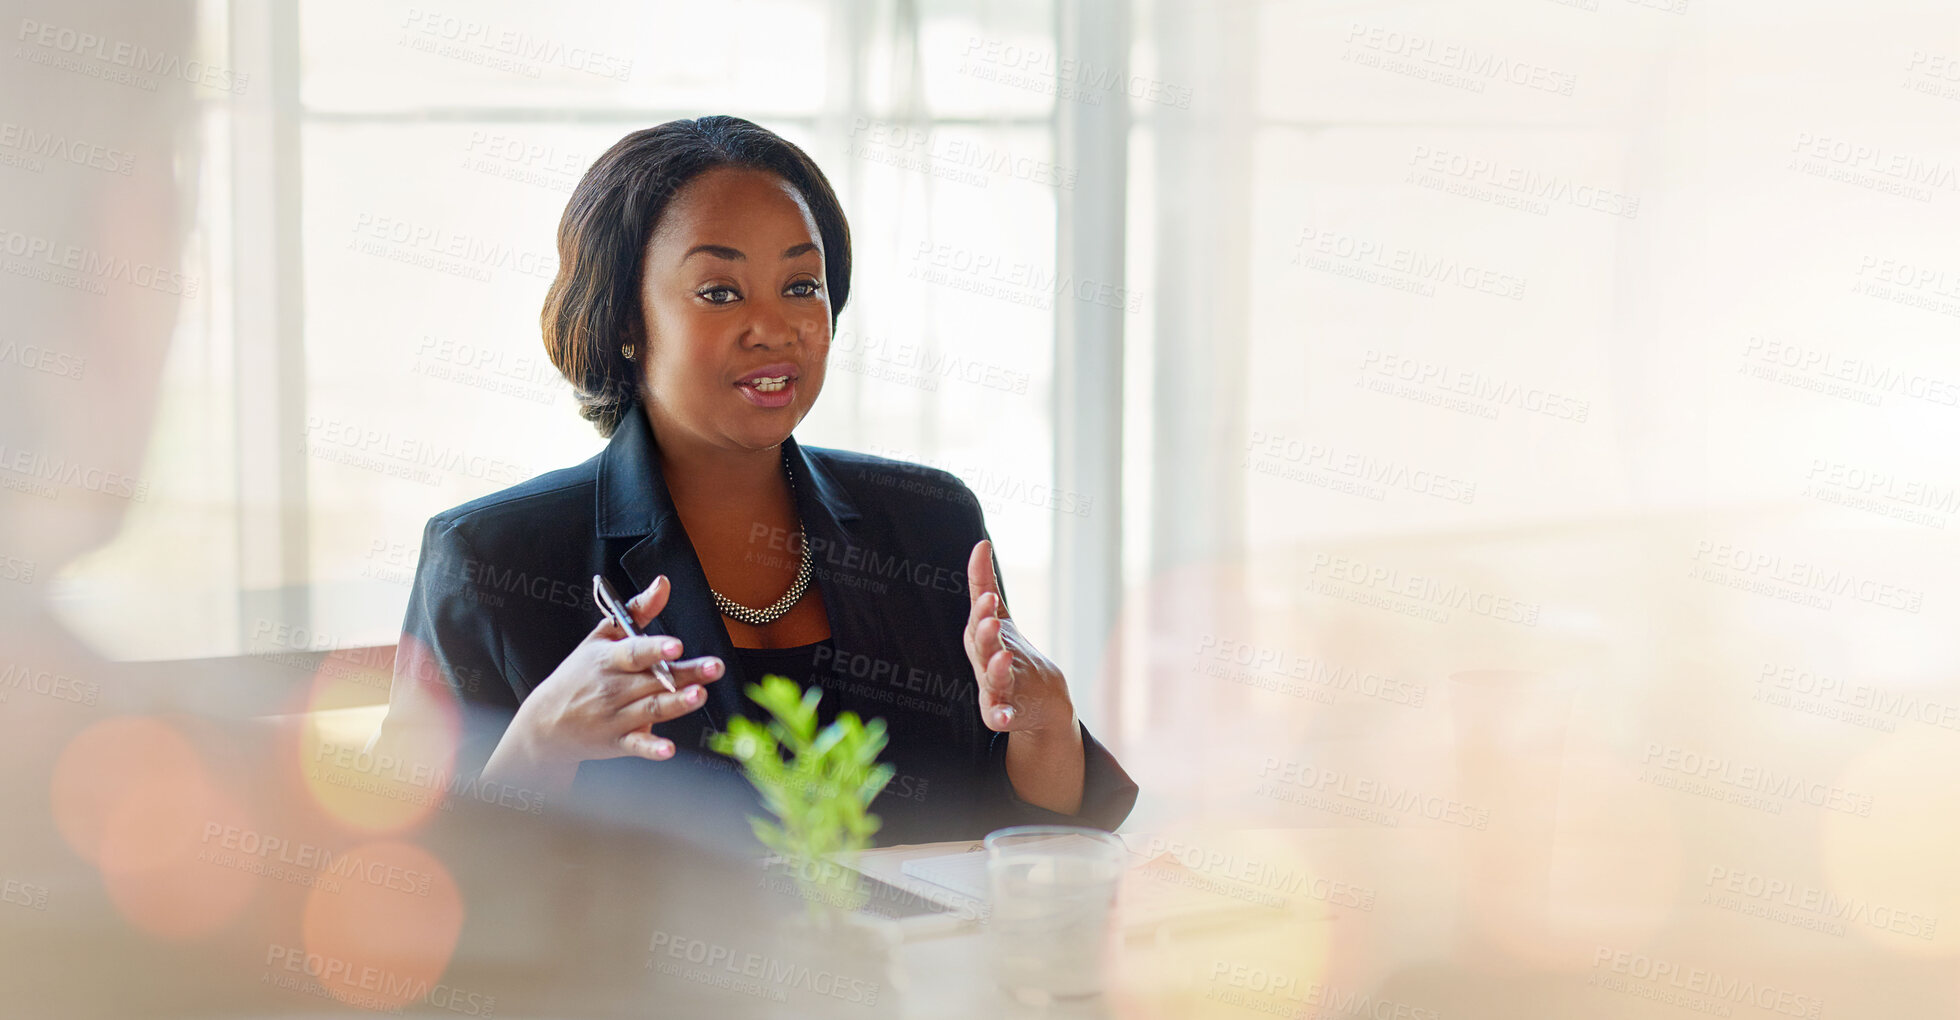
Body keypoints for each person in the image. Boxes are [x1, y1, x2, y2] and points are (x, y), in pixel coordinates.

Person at [375, 115, 1137, 846]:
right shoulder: (491, 559)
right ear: (627, 322)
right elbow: (406, 892)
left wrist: (1047, 729)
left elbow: (1030, 854)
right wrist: (541, 743)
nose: (775, 327)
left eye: (801, 286)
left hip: (919, 976)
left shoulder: (931, 522)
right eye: (720, 292)